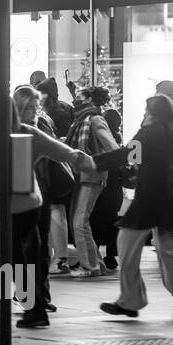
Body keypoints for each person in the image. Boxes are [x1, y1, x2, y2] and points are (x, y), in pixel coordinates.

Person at [0, 85, 95, 328]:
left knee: (14, 259)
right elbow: (63, 153)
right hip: (31, 205)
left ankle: (33, 308)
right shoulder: (29, 132)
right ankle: (36, 306)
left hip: (3, 210)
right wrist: (85, 160)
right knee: (29, 256)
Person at [101, 94, 173, 321]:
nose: (144, 115)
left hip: (150, 199)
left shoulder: (150, 132)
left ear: (152, 113)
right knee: (167, 252)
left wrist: (94, 162)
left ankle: (131, 299)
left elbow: (127, 154)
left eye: (147, 111)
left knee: (126, 244)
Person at [63, 86, 120, 277]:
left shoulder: (95, 119)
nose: (76, 100)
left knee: (79, 221)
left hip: (92, 174)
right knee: (79, 221)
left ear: (89, 100)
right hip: (83, 174)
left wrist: (98, 162)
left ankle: (90, 266)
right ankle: (97, 263)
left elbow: (111, 146)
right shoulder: (83, 119)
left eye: (79, 97)